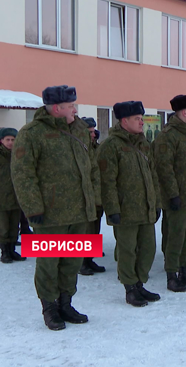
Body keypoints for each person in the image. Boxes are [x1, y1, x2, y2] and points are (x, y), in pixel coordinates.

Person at [12, 85, 99, 330]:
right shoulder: (32, 133)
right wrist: (33, 208)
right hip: (50, 214)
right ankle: (49, 307)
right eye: (71, 105)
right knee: (49, 263)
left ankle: (66, 302)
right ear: (57, 108)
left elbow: (90, 167)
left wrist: (93, 200)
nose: (75, 109)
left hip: (80, 211)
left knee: (72, 261)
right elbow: (22, 174)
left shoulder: (80, 130)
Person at [97, 101, 161, 307]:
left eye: (142, 118)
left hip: (146, 208)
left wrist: (156, 202)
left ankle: (140, 283)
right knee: (127, 250)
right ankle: (130, 288)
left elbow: (153, 176)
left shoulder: (144, 144)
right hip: (126, 210)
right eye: (137, 119)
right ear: (124, 121)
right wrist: (113, 209)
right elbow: (107, 181)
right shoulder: (111, 146)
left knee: (148, 248)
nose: (142, 122)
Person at [154, 94, 186, 292]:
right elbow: (164, 168)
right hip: (178, 198)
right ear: (183, 113)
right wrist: (172, 194)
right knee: (175, 237)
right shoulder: (169, 136)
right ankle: (171, 274)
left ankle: (185, 270)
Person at [79, 117, 106, 276]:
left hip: (97, 194)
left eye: (93, 131)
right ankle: (82, 262)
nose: (93, 134)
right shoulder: (79, 148)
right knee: (84, 230)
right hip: (84, 196)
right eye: (89, 132)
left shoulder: (96, 148)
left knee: (95, 228)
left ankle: (89, 259)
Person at [0, 127, 25, 264]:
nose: (10, 142)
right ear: (2, 140)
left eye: (13, 140)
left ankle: (12, 250)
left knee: (14, 226)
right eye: (7, 139)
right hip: (2, 198)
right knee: (3, 227)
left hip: (16, 198)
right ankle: (5, 252)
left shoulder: (19, 155)